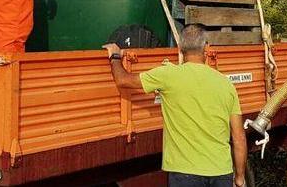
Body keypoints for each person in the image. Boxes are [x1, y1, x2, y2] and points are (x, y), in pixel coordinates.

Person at [103, 24, 247, 187]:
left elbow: (123, 80)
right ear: (206, 48)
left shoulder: (168, 76)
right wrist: (240, 178)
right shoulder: (226, 84)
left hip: (185, 173)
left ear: (180, 48)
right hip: (221, 172)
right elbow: (239, 137)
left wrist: (115, 56)